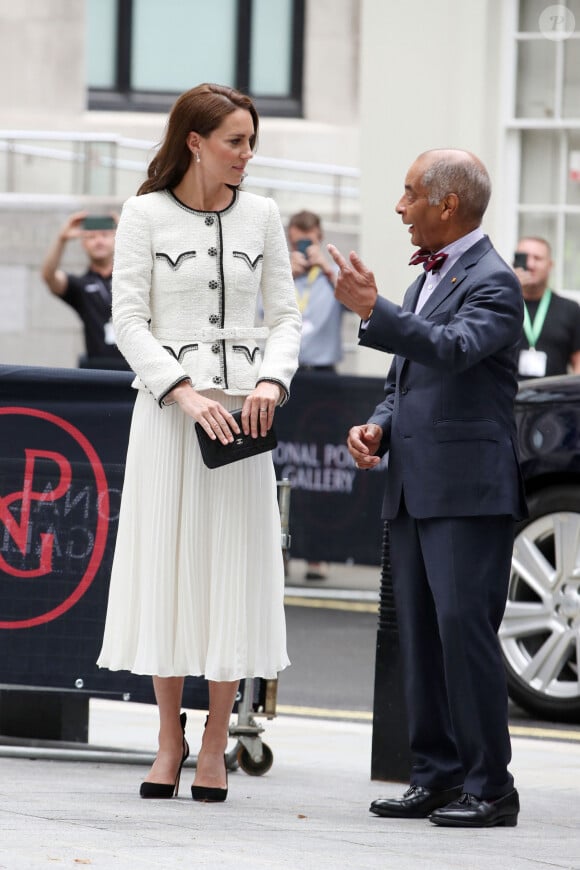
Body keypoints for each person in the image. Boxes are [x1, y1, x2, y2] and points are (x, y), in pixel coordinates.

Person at [97, 83, 301, 803]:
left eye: (251, 141)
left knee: (232, 574)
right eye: (234, 141)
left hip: (245, 420)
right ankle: (166, 737)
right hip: (166, 416)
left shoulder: (265, 216)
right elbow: (128, 321)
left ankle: (215, 740)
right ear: (194, 140)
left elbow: (285, 317)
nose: (248, 155)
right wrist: (181, 392)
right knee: (168, 570)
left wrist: (271, 384)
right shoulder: (143, 213)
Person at [328, 149, 528, 828]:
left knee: (463, 635)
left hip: (469, 492)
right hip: (415, 487)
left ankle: (492, 787)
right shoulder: (432, 278)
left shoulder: (495, 280)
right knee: (419, 636)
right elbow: (405, 380)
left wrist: (373, 308)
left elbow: (451, 348)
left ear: (447, 204)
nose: (399, 206)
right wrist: (378, 427)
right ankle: (438, 775)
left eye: (410, 193)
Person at [287, 209, 342, 581]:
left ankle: (318, 554)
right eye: (298, 242)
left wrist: (326, 269)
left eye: (310, 240)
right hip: (286, 376)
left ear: (320, 237)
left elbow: (359, 305)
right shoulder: (279, 271)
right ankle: (283, 549)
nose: (304, 248)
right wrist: (280, 274)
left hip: (323, 379)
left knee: (321, 465)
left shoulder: (330, 275)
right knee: (284, 463)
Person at [41, 212, 130, 369]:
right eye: (91, 237)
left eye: (105, 235)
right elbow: (49, 277)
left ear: (117, 238)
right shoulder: (81, 285)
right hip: (97, 371)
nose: (99, 241)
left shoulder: (131, 278)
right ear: (83, 243)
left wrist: (129, 230)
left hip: (135, 370)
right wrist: (62, 239)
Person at [513, 236, 580, 378]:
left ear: (550, 265)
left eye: (537, 258)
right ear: (514, 262)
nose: (530, 264)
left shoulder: (570, 310)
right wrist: (507, 288)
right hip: (506, 397)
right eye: (524, 258)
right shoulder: (500, 306)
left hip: (554, 397)